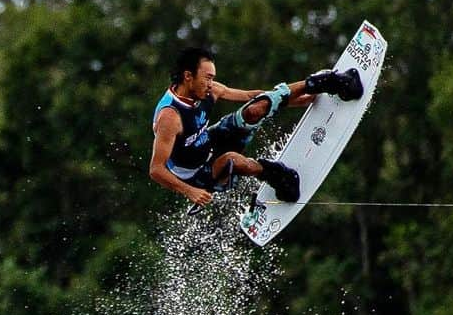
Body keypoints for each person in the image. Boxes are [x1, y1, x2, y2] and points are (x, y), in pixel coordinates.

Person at [148, 46, 362, 206]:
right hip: (196, 175)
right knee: (233, 160)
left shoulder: (208, 89)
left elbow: (253, 97)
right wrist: (189, 192)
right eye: (208, 78)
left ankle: (324, 83)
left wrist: (298, 99)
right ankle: (277, 176)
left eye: (213, 78)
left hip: (210, 141)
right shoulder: (170, 116)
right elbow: (156, 170)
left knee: (254, 110)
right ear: (188, 76)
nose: (212, 84)